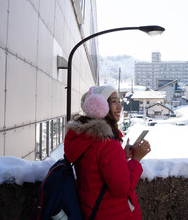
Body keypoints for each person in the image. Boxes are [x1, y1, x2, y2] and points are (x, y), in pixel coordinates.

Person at [64, 85, 151, 219]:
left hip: (93, 211)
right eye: (114, 101)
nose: (120, 107)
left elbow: (97, 169)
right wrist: (136, 160)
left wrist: (122, 156)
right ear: (100, 106)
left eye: (119, 101)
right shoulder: (107, 144)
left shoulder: (86, 138)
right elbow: (123, 189)